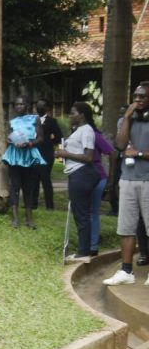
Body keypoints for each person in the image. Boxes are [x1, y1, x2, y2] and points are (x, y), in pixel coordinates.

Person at [104, 83, 149, 284]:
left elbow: (132, 151)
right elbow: (120, 145)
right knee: (126, 227)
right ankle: (126, 271)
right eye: (135, 96)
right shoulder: (125, 120)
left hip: (147, 180)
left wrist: (138, 153)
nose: (138, 99)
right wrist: (128, 118)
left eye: (143, 96)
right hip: (128, 180)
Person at [57, 102, 98, 264]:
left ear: (82, 115)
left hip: (81, 174)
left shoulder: (87, 130)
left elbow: (88, 157)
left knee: (81, 214)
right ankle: (83, 250)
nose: (70, 116)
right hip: (76, 173)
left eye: (73, 113)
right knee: (80, 212)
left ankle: (83, 252)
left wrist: (65, 153)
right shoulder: (78, 130)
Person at [1, 97, 44, 229]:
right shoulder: (12, 121)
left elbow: (41, 138)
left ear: (27, 105)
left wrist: (30, 143)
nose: (19, 106)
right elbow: (9, 137)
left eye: (22, 104)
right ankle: (15, 217)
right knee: (15, 185)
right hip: (15, 155)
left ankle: (29, 218)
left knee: (28, 187)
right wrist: (9, 140)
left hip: (29, 154)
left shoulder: (35, 119)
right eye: (17, 104)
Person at [90, 128, 115, 256]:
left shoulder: (95, 135)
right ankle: (85, 243)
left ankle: (93, 245)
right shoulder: (75, 133)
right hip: (81, 178)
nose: (71, 116)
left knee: (93, 211)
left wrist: (111, 178)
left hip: (98, 177)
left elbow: (111, 152)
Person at [34, 99, 62, 210]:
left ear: (47, 108)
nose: (39, 108)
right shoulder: (32, 120)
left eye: (41, 106)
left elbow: (59, 136)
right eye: (37, 106)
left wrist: (48, 142)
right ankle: (33, 204)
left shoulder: (51, 121)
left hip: (46, 153)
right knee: (34, 178)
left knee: (45, 178)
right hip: (34, 153)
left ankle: (49, 206)